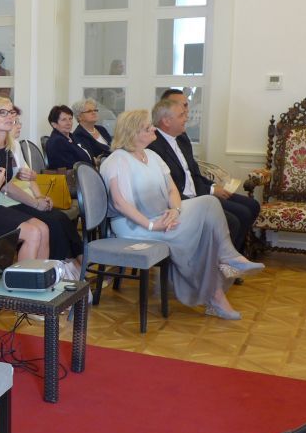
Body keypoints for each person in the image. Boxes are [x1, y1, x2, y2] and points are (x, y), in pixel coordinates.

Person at [99, 110, 264, 320]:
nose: (153, 128)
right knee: (200, 235)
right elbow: (119, 203)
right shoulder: (116, 160)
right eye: (148, 127)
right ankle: (216, 296)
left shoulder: (152, 156)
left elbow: (172, 190)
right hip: (135, 225)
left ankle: (227, 258)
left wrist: (175, 211)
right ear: (133, 133)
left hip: (162, 215)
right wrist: (152, 225)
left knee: (209, 202)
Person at [0, 97, 83, 269]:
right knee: (33, 232)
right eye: (2, 112)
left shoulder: (11, 147)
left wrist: (36, 201)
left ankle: (38, 280)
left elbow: (7, 187)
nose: (9, 116)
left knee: (44, 228)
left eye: (11, 112)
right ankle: (21, 283)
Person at [151, 90, 261, 253]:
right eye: (181, 115)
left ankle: (231, 255)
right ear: (166, 121)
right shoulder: (154, 146)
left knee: (252, 205)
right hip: (184, 200)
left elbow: (193, 173)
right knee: (237, 217)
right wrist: (210, 191)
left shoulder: (181, 138)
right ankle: (222, 258)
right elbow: (168, 187)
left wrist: (213, 186)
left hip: (198, 192)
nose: (186, 118)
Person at [44, 105, 93, 171]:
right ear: (54, 124)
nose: (68, 123)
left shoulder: (71, 137)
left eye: (70, 119)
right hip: (74, 176)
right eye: (64, 120)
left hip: (85, 172)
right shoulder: (57, 141)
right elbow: (69, 167)